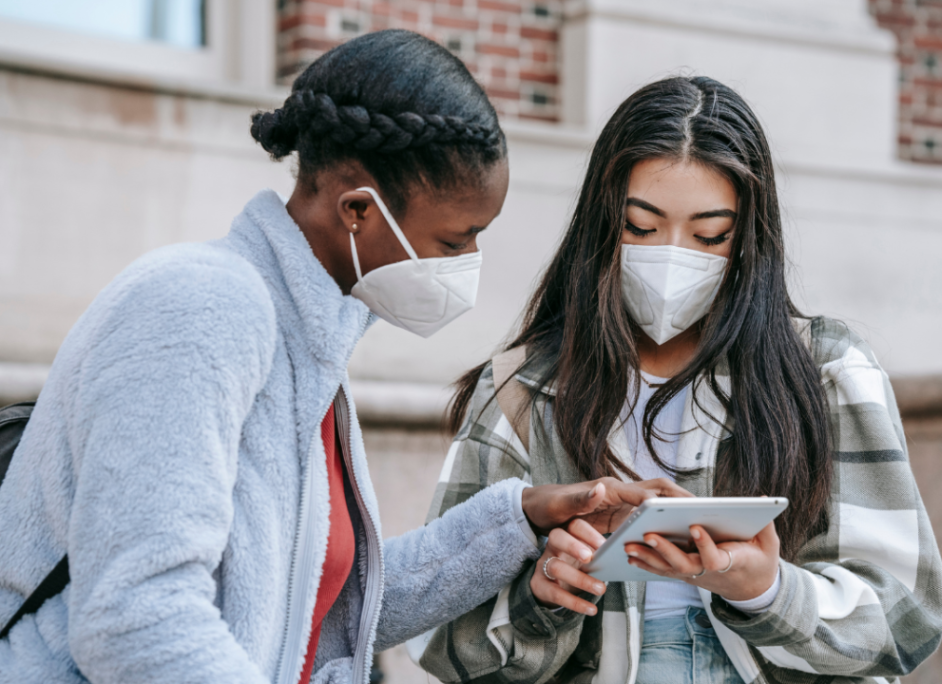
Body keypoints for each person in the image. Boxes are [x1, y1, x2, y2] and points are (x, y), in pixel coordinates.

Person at [0, 31, 685, 684]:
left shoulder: (311, 347)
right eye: (454, 241)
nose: (469, 264)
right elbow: (134, 617)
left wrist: (524, 516)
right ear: (359, 209)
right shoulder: (200, 307)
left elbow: (324, 604)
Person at [411, 76, 942, 684]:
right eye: (641, 227)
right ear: (600, 224)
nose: (672, 256)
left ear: (748, 238)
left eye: (709, 236)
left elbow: (908, 615)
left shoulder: (827, 372)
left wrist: (768, 591)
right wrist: (540, 600)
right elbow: (438, 635)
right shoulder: (521, 389)